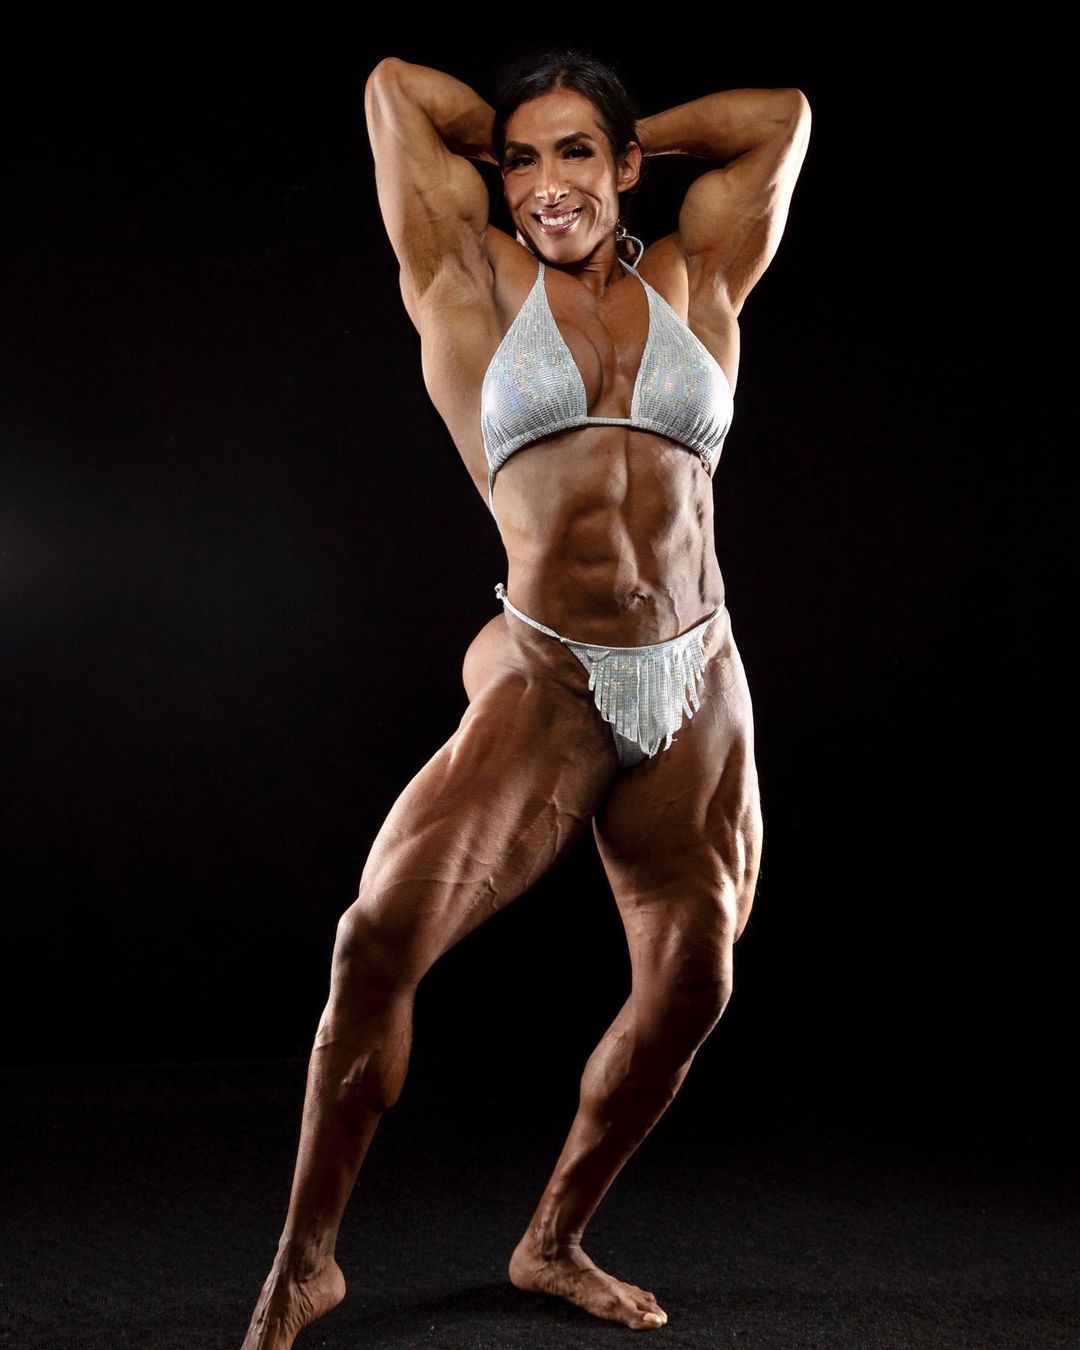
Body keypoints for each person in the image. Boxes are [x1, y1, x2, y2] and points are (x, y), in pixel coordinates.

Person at [240, 48, 811, 1348]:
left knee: (693, 983)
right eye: (519, 162)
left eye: (576, 154)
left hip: (697, 671)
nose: (546, 184)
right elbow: (394, 90)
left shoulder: (697, 279)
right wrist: (531, 150)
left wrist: (619, 135)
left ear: (627, 165)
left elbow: (779, 119)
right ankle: (305, 1262)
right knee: (375, 940)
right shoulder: (471, 280)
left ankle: (553, 1240)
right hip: (554, 669)